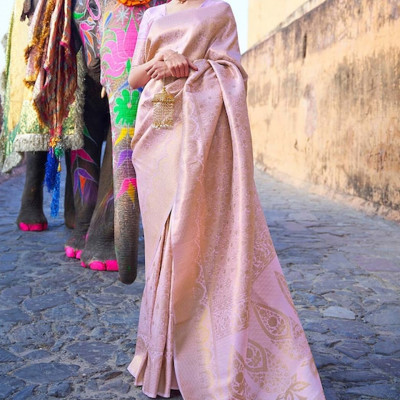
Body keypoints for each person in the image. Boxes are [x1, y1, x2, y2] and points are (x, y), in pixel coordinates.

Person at [127, 0, 326, 399]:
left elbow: (233, 72)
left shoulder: (219, 10)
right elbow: (133, 78)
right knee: (163, 238)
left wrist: (190, 66)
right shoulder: (152, 16)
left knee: (192, 232)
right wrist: (158, 65)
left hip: (204, 136)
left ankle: (206, 353)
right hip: (160, 122)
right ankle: (163, 357)